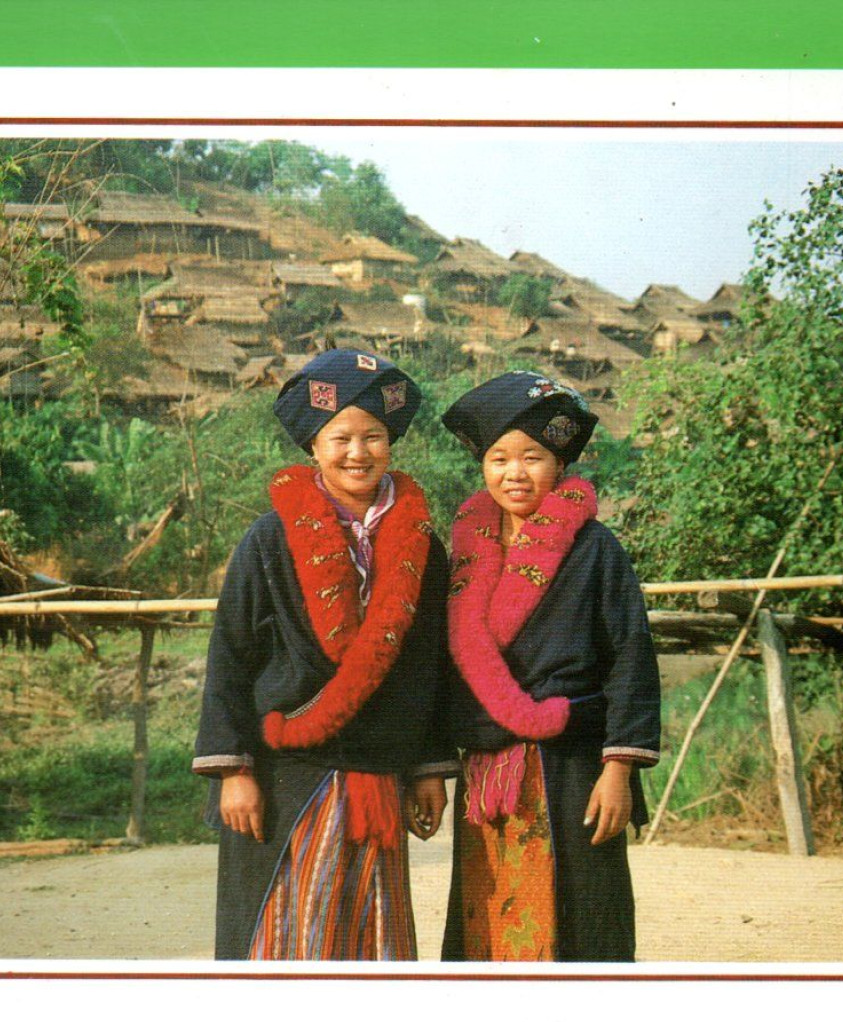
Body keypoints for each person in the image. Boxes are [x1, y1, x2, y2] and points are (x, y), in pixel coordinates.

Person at [193, 348, 454, 961]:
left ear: (392, 443)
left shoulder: (421, 545)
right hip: (288, 776)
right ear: (313, 446)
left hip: (381, 771)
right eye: (341, 438)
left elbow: (428, 667)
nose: (357, 453)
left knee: (373, 945)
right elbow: (231, 656)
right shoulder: (268, 539)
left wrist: (429, 767)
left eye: (374, 437)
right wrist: (235, 772)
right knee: (284, 944)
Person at [439, 371, 660, 962]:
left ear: (559, 464)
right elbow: (444, 669)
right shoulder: (463, 555)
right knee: (486, 912)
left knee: (581, 915)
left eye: (532, 457)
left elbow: (631, 658)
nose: (515, 473)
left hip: (570, 763)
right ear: (482, 466)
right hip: (487, 764)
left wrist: (619, 769)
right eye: (499, 458)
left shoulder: (596, 550)